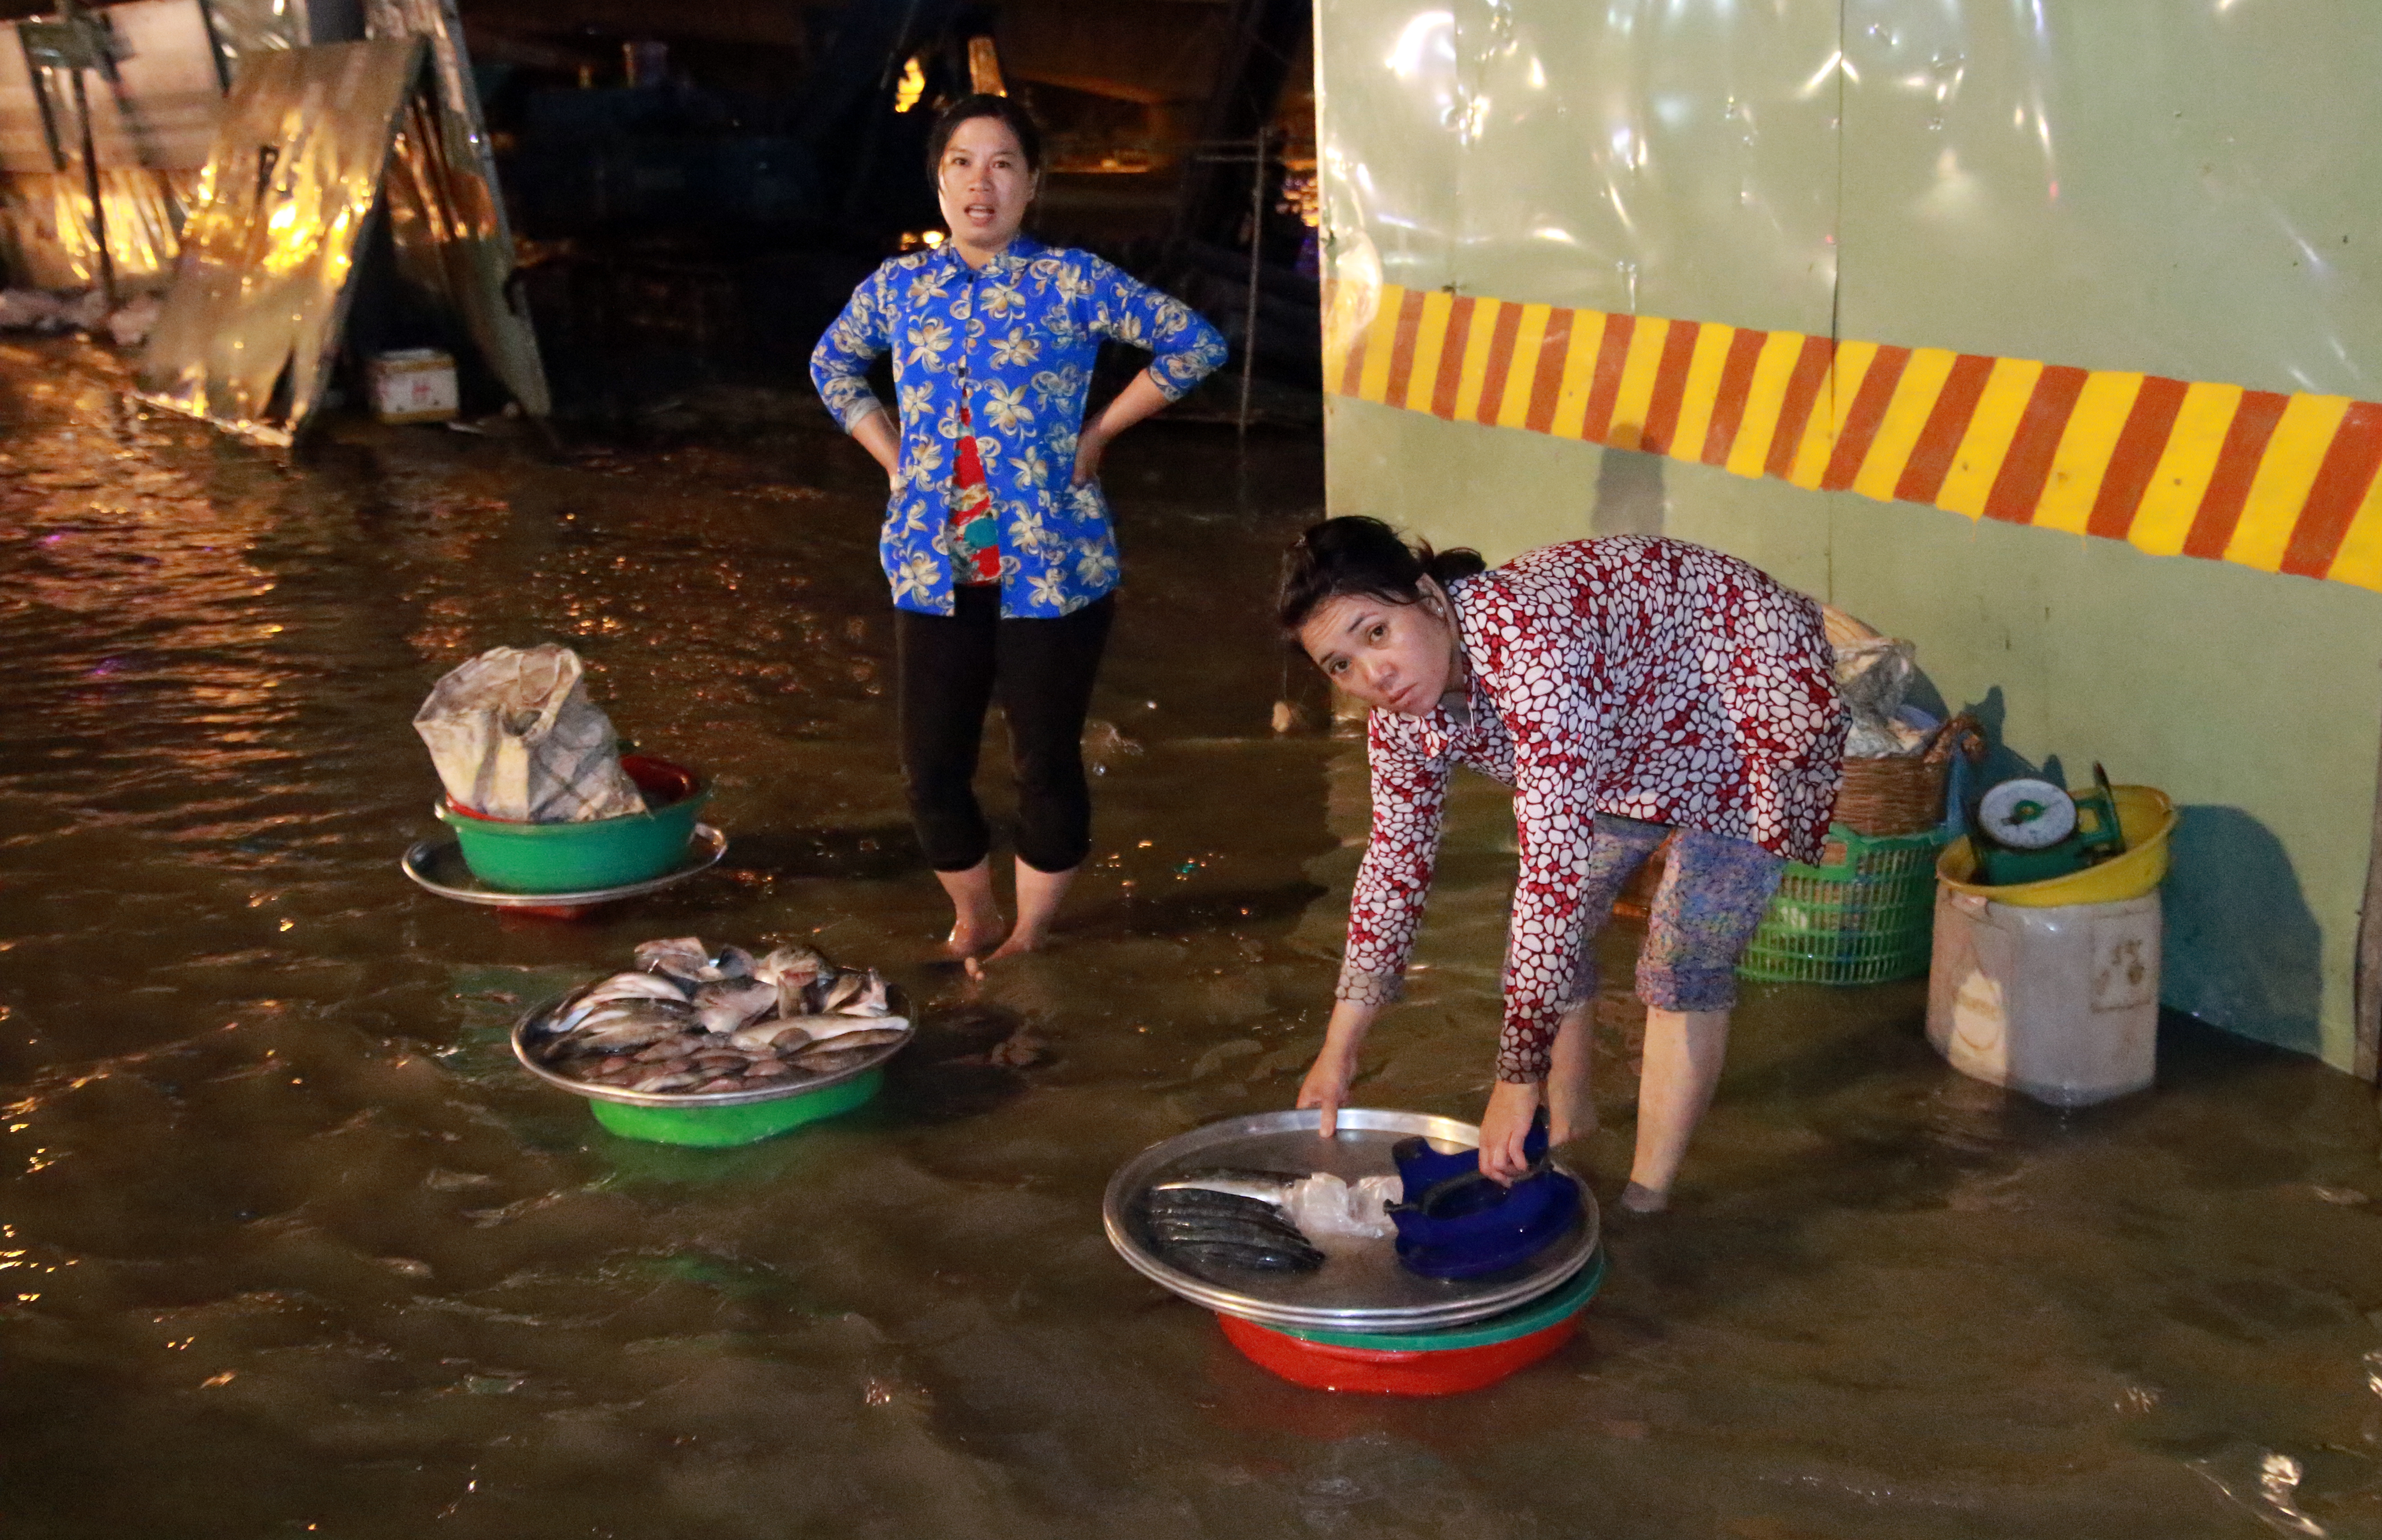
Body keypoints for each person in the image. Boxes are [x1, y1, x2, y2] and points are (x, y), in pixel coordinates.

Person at [1280, 519, 1845, 1211]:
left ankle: (1645, 1202)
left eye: (1376, 634)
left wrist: (1514, 1080)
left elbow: (1549, 879)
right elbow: (1392, 865)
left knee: (1681, 954)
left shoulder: (1529, 651)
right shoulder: (1401, 713)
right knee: (1558, 934)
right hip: (1632, 713)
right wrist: (1341, 1050)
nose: (1374, 675)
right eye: (1341, 664)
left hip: (1754, 683)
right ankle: (1574, 1137)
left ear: (1426, 597)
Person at [811, 95, 1226, 962]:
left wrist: (1103, 430)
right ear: (937, 182)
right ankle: (973, 916)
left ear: (1032, 184)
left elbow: (1193, 344)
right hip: (931, 569)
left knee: (1043, 764)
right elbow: (831, 364)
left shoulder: (1072, 282)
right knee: (929, 769)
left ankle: (1030, 936)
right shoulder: (899, 288)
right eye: (961, 162)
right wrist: (892, 458)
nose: (980, 182)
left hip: (1054, 568)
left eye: (1002, 163)